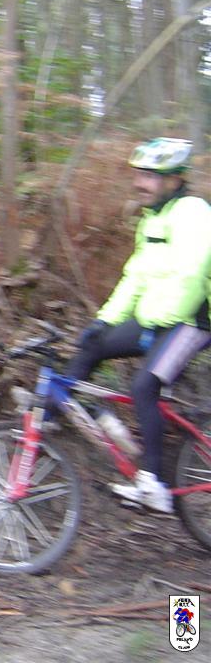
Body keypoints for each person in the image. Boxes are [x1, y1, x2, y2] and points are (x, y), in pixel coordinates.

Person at [65, 137, 211, 513]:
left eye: (149, 176)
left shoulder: (193, 213)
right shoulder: (152, 219)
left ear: (174, 179)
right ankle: (63, 414)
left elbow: (192, 275)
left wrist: (157, 326)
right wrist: (105, 320)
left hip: (194, 322)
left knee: (145, 385)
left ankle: (154, 485)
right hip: (158, 319)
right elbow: (135, 277)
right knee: (92, 347)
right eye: (139, 174)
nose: (139, 183)